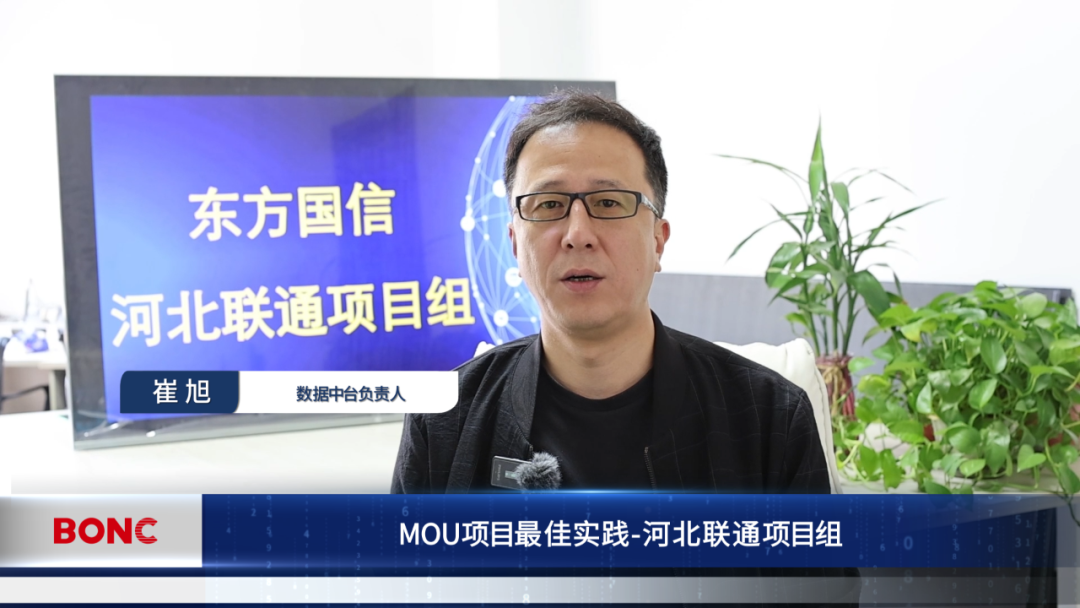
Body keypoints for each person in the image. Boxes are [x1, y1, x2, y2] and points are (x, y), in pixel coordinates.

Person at [392, 91, 831, 493]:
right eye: (549, 205)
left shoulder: (770, 417)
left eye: (608, 203)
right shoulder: (444, 419)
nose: (578, 235)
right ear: (514, 246)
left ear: (658, 240)